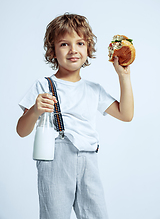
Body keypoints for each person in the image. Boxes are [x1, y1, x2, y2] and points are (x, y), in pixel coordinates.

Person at [16, 13, 134, 219]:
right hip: (55, 160)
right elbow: (21, 131)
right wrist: (35, 110)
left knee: (96, 215)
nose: (73, 50)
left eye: (80, 43)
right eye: (64, 44)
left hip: (89, 160)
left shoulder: (94, 89)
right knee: (55, 215)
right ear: (52, 51)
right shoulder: (43, 85)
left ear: (88, 49)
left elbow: (126, 114)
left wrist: (123, 77)